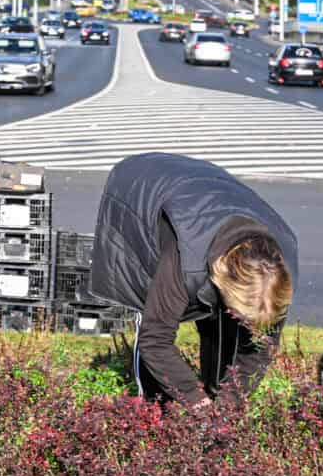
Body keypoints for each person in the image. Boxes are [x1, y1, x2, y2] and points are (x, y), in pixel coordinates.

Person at [90, 152, 297, 407]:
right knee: (154, 313)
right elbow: (154, 340)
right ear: (223, 281)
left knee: (225, 326)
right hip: (141, 186)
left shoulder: (277, 277)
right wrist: (193, 399)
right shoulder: (181, 257)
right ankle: (155, 410)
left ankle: (215, 394)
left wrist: (228, 406)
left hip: (210, 195)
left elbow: (261, 349)